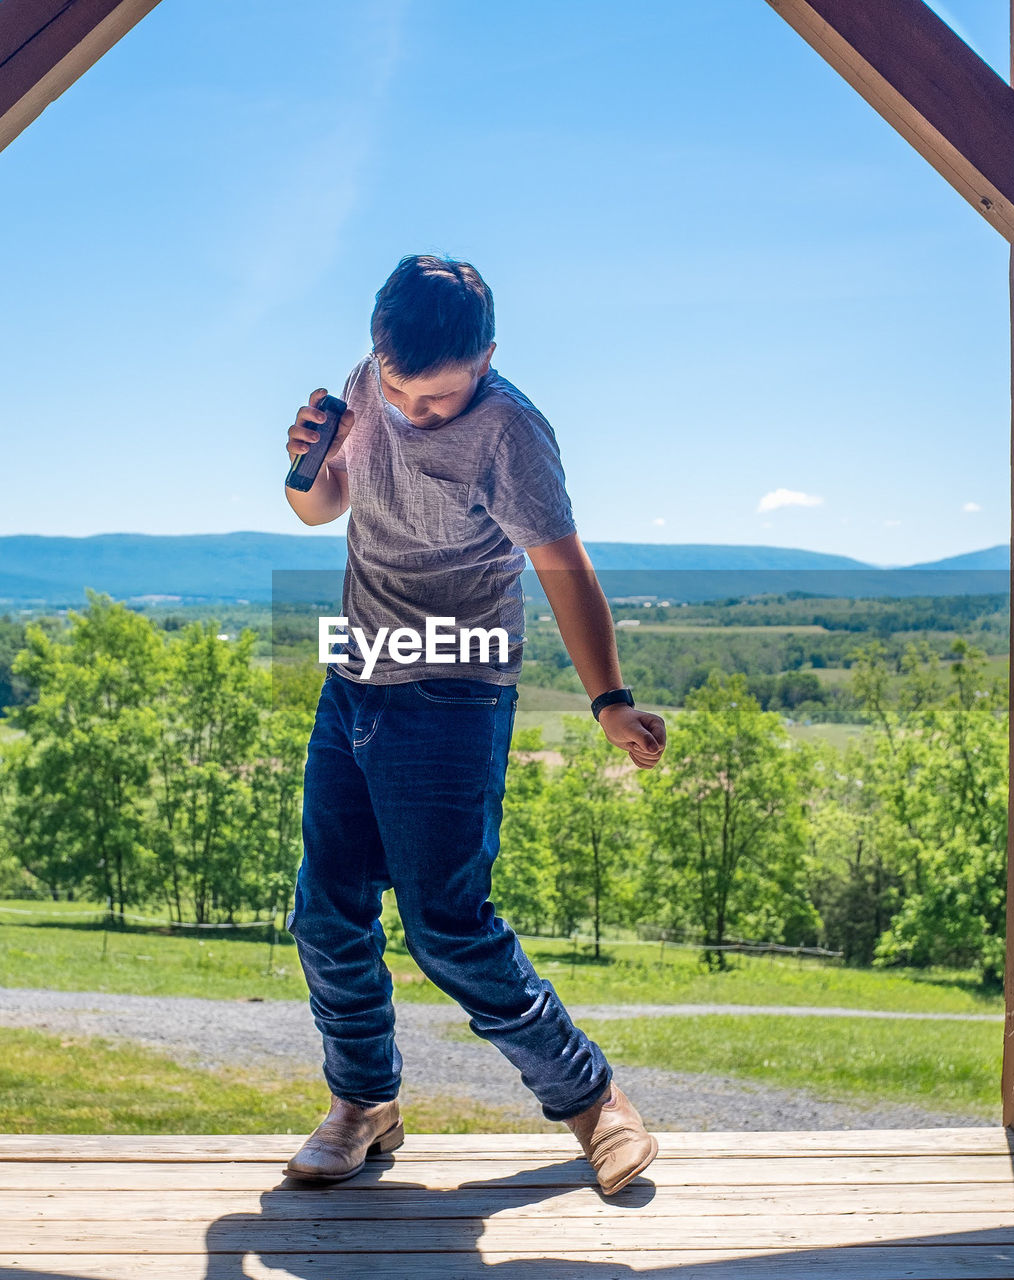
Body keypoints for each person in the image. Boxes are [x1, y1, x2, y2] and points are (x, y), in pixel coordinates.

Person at [280, 254, 667, 1196]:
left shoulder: (512, 435)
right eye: (402, 392)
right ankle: (364, 1105)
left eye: (439, 400)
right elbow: (317, 511)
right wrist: (307, 461)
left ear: (487, 358)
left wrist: (609, 703)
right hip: (355, 679)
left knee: (447, 928)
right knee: (326, 915)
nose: (415, 413)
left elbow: (565, 569)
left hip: (453, 693)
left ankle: (592, 1101)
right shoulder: (375, 380)